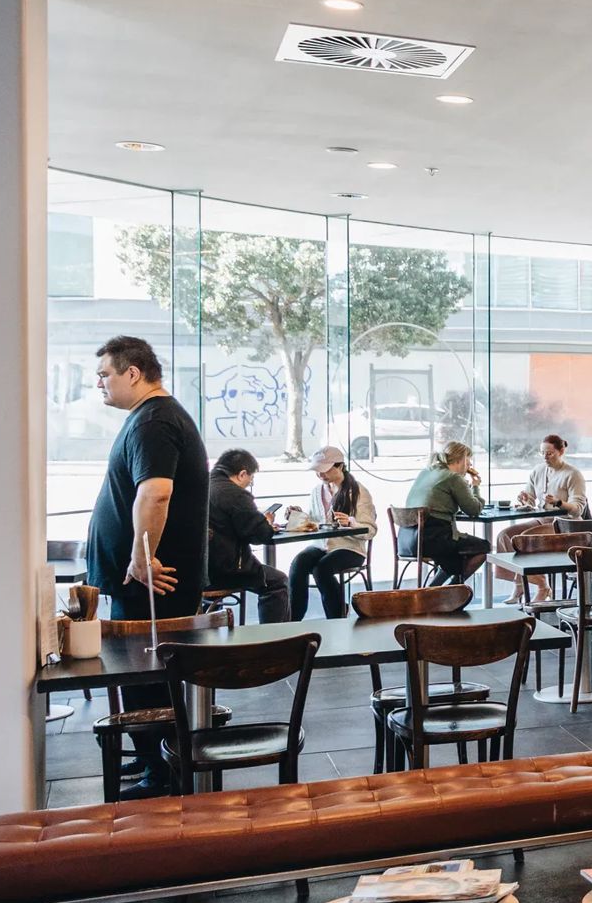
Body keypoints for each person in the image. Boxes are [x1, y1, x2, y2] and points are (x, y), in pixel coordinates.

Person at [85, 335, 209, 798]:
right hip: (147, 581)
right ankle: (152, 763)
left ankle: (162, 777)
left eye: (105, 375)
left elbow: (155, 492)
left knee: (148, 680)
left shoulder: (154, 421)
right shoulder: (154, 417)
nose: (100, 383)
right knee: (144, 679)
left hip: (152, 583)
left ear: (132, 373)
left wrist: (141, 557)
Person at [493, 433, 589, 603]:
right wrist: (524, 498)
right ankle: (524, 583)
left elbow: (577, 509)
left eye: (549, 453)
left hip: (566, 524)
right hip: (544, 520)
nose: (545, 457)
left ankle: (540, 585)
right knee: (504, 536)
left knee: (524, 539)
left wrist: (559, 502)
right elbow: (530, 500)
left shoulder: (573, 474)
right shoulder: (538, 471)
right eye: (542, 453)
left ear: (561, 451)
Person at [288, 445, 377, 620]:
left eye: (325, 470)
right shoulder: (317, 491)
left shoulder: (358, 491)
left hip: (350, 548)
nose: (320, 475)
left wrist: (351, 523)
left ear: (340, 467)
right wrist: (298, 515)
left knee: (322, 569)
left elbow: (370, 529)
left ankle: (336, 618)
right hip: (322, 545)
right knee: (298, 564)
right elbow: (315, 522)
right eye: (317, 471)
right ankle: (293, 620)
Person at [207, 448, 289, 623]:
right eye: (250, 479)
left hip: (199, 571)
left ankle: (209, 626)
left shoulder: (201, 485)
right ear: (242, 474)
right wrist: (265, 522)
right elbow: (261, 535)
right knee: (278, 582)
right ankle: (274, 643)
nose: (249, 483)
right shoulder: (235, 494)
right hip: (227, 571)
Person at [402, 440, 490, 585]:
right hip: (433, 539)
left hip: (408, 539)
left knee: (461, 547)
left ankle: (434, 591)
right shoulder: (453, 477)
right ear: (460, 460)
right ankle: (449, 592)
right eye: (468, 460)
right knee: (482, 547)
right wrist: (475, 487)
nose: (470, 465)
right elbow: (474, 510)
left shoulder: (426, 472)